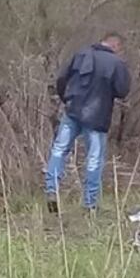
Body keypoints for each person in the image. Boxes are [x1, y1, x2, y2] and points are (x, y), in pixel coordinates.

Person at [45, 32, 131, 214]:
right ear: (116, 46)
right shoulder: (116, 63)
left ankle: (51, 189)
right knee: (94, 159)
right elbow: (123, 90)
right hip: (98, 117)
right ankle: (90, 204)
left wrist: (66, 99)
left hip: (73, 110)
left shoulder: (81, 54)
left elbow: (61, 79)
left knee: (59, 150)